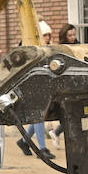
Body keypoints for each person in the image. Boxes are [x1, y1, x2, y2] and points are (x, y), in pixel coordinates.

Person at [22, 22, 52, 154]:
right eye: (45, 35)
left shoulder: (48, 48)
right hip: (32, 87)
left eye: (49, 35)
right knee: (38, 116)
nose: (48, 38)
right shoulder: (28, 47)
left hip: (43, 86)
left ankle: (24, 141)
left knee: (38, 116)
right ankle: (42, 149)